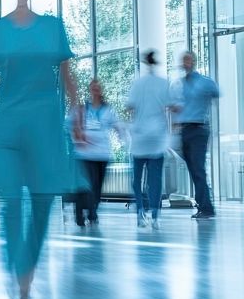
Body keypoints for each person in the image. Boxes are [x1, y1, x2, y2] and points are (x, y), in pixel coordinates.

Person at [0, 0, 83, 299]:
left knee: (42, 202)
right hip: (8, 127)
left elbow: (66, 74)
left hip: (45, 128)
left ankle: (27, 271)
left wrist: (78, 111)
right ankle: (20, 270)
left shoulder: (52, 27)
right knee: (11, 201)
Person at [172, 51, 221, 219]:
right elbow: (179, 106)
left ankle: (206, 208)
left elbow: (216, 92)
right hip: (185, 130)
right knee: (194, 170)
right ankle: (204, 206)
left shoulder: (205, 82)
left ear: (193, 62)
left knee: (198, 169)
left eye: (187, 60)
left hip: (199, 129)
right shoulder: (180, 84)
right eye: (183, 60)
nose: (184, 63)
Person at [126, 51, 172, 230]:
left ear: (145, 63)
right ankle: (156, 216)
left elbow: (130, 109)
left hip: (139, 138)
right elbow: (169, 109)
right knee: (155, 180)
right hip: (157, 138)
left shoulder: (137, 84)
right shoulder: (164, 83)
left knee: (137, 180)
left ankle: (140, 212)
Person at [71, 79, 122, 227]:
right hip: (85, 154)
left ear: (101, 90)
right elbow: (73, 126)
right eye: (93, 87)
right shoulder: (83, 109)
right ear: (90, 90)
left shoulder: (108, 109)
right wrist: (78, 138)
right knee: (89, 185)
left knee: (98, 187)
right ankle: (87, 213)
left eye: (98, 87)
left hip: (102, 153)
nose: (95, 89)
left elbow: (116, 125)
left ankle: (91, 210)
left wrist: (121, 134)